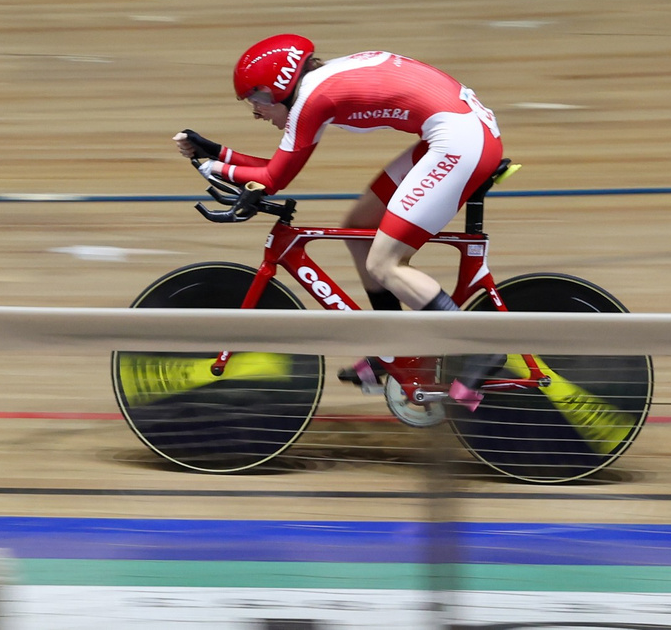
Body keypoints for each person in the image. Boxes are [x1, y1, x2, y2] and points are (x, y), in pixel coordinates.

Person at [174, 34, 509, 408]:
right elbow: (275, 168)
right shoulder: (317, 87)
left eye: (257, 99)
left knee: (384, 263)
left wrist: (210, 166)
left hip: (460, 142)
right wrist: (218, 153)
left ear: (280, 87)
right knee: (359, 227)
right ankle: (392, 348)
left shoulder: (313, 100)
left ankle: (483, 346)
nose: (255, 111)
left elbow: (273, 179)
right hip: (459, 133)